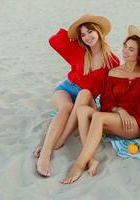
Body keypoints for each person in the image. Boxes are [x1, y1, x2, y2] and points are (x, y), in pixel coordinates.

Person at [61, 25, 140, 184]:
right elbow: (106, 101)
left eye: (131, 49)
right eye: (125, 46)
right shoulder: (114, 72)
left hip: (135, 123)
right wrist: (120, 110)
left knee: (97, 117)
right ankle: (91, 159)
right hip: (115, 117)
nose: (125, 51)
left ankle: (79, 164)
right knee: (83, 110)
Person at [35, 14, 120, 177]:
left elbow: (110, 90)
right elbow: (54, 40)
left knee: (83, 96)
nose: (87, 37)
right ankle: (45, 155)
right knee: (66, 107)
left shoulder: (112, 61)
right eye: (83, 34)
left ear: (99, 32)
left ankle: (56, 144)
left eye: (90, 32)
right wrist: (73, 35)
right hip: (66, 89)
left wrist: (102, 110)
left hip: (85, 98)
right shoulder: (79, 49)